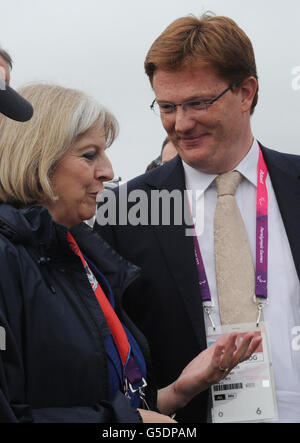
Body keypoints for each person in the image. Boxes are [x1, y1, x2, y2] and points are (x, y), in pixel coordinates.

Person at [0, 83, 260, 423]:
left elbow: (109, 397)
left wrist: (178, 391)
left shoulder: (82, 256)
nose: (108, 171)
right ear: (37, 157)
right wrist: (129, 424)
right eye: (90, 154)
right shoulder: (8, 259)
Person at [94, 13, 300, 423]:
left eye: (198, 103)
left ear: (246, 93)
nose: (181, 124)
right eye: (167, 107)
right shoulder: (125, 209)